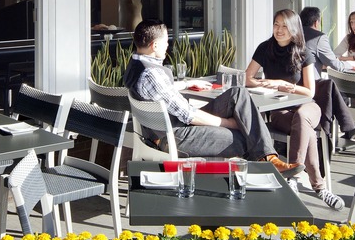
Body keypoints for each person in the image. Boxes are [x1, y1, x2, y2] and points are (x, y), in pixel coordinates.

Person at [123, 19, 302, 178]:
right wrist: (228, 122)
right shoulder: (152, 74)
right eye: (165, 42)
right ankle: (268, 164)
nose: (168, 45)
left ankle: (268, 158)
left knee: (238, 93)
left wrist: (186, 84)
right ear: (154, 45)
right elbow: (189, 116)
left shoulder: (137, 65)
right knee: (245, 136)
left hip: (172, 126)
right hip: (176, 135)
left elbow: (158, 91)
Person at [244, 9, 344, 210]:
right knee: (302, 126)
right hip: (280, 111)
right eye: (276, 25)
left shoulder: (303, 51)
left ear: (294, 28)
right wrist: (265, 84)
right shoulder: (265, 48)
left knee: (302, 116)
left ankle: (294, 176)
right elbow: (247, 78)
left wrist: (284, 85)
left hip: (308, 106)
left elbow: (309, 91)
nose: (279, 30)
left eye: (284, 26)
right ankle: (319, 187)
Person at [298, 6, 355, 148]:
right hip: (311, 89)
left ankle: (347, 127)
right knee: (334, 92)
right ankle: (345, 128)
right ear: (317, 22)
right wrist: (353, 65)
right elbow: (335, 64)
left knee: (334, 91)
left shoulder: (292, 36)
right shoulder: (318, 37)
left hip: (291, 88)